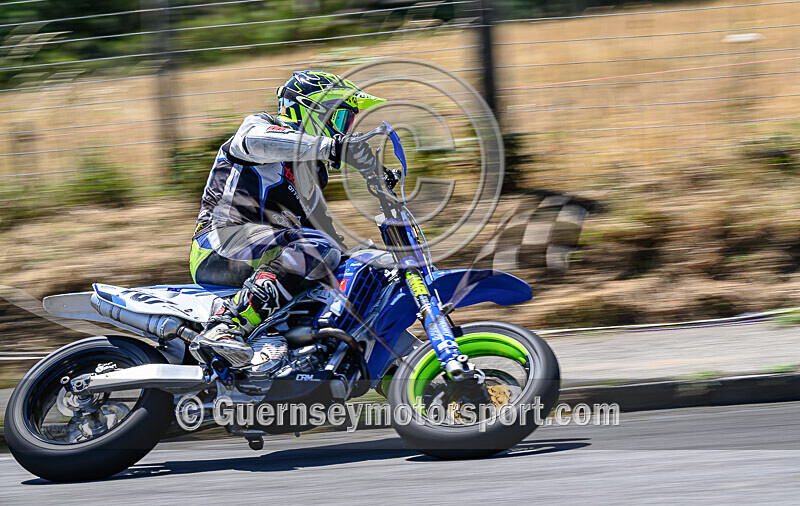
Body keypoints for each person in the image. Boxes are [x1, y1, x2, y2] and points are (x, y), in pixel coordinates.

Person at [188, 70, 385, 368]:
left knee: (351, 265)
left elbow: (328, 239)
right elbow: (254, 142)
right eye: (341, 118)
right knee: (317, 248)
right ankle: (225, 325)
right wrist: (331, 147)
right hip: (220, 243)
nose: (344, 130)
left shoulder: (311, 174)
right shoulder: (259, 127)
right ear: (313, 110)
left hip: (266, 251)